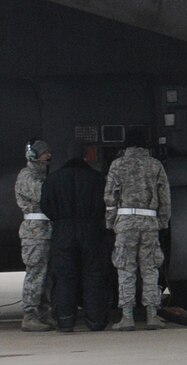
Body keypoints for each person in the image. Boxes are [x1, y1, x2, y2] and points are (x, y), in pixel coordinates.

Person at [42, 141, 111, 332]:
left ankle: (65, 320)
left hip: (63, 229)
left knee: (64, 276)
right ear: (86, 155)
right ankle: (96, 321)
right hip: (92, 230)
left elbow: (45, 205)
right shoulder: (97, 179)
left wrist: (60, 218)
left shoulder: (53, 179)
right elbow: (107, 203)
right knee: (94, 275)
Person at [106, 140, 171, 331]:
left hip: (125, 223)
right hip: (149, 222)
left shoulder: (117, 165)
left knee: (125, 268)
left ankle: (127, 317)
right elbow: (165, 197)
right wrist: (162, 221)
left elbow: (110, 197)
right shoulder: (155, 165)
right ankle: (152, 315)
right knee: (150, 268)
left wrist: (110, 222)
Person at [15, 140, 53, 332]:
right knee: (36, 274)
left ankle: (44, 313)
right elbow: (43, 195)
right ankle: (29, 315)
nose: (48, 157)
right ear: (34, 156)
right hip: (34, 232)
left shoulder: (42, 175)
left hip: (46, 230)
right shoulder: (27, 176)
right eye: (45, 153)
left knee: (46, 276)